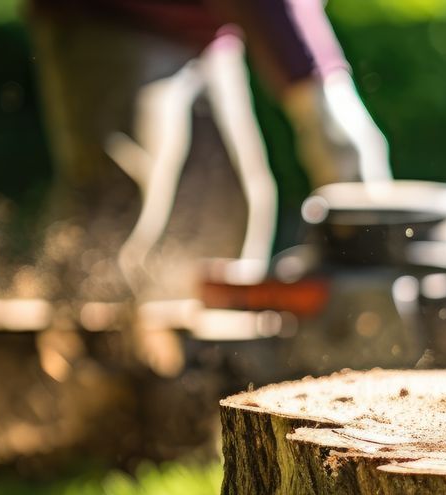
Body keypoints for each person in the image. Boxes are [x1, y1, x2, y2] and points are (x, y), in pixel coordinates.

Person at [24, 0, 391, 301]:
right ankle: (71, 352)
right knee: (121, 198)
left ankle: (197, 374)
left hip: (206, 31)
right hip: (114, 15)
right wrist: (318, 95)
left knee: (228, 210)